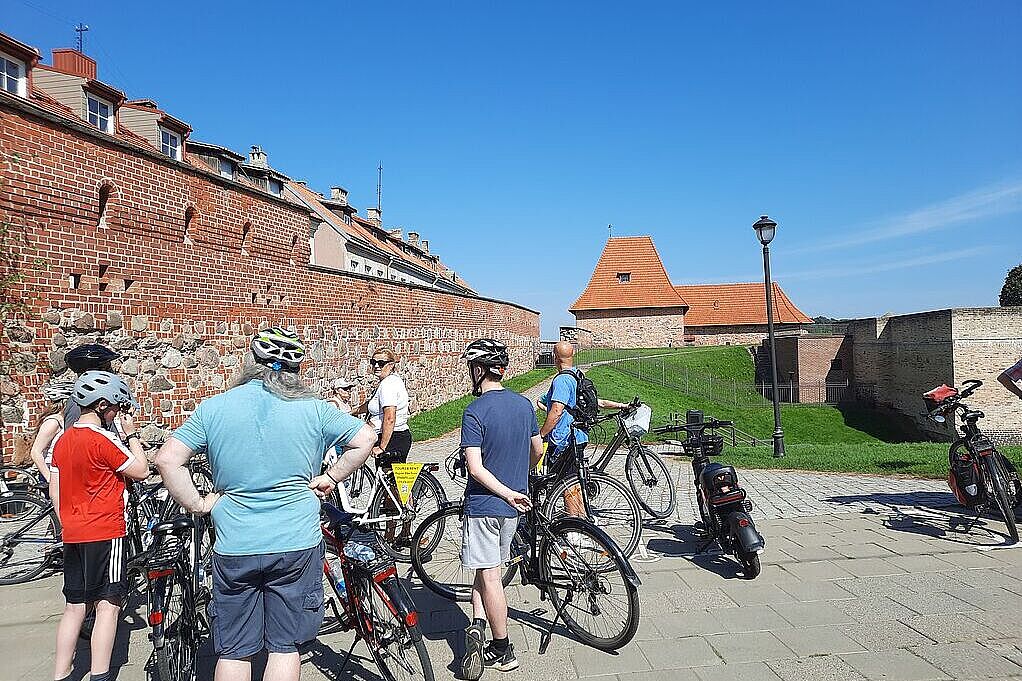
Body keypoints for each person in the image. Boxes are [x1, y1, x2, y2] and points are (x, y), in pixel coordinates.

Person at [156, 327, 375, 681]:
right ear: (296, 371)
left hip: (235, 543)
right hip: (296, 542)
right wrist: (331, 478)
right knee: (285, 646)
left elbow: (167, 460)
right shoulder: (315, 409)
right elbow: (365, 438)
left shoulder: (215, 407)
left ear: (251, 363)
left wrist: (198, 504)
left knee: (234, 650)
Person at [49, 371, 150, 681]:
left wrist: (67, 520)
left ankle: (61, 672)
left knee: (75, 606)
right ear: (103, 405)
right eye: (117, 407)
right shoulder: (103, 439)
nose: (118, 413)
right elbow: (141, 470)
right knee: (108, 604)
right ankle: (100, 673)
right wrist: (131, 435)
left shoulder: (62, 440)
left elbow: (56, 489)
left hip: (73, 532)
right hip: (105, 530)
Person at [458, 339, 542, 679]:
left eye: (470, 370)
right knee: (488, 567)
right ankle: (479, 623)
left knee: (491, 577)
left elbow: (475, 469)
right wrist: (518, 480)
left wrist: (505, 492)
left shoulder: (474, 411)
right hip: (514, 507)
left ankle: (503, 648)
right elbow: (537, 450)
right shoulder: (524, 405)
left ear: (479, 371)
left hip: (485, 504)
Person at [536, 342, 626, 513]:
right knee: (574, 481)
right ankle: (580, 517)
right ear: (573, 355)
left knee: (566, 483)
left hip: (563, 438)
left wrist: (541, 434)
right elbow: (596, 402)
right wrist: (621, 405)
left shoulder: (562, 380)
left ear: (555, 357)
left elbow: (556, 411)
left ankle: (574, 528)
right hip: (580, 435)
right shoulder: (578, 375)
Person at [353, 347, 412, 543]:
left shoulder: (387, 386)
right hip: (398, 437)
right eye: (373, 362)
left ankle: (390, 536)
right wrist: (351, 414)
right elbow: (371, 405)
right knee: (399, 485)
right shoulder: (388, 383)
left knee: (391, 490)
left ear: (391, 365)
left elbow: (389, 417)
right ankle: (405, 533)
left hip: (393, 439)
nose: (376, 366)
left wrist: (382, 447)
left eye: (381, 363)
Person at [62, 344, 121, 429]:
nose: (112, 373)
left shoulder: (98, 400)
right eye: (107, 369)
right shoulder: (77, 405)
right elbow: (75, 439)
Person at [28, 382, 73, 485]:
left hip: (64, 472)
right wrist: (49, 478)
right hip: (52, 473)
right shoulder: (53, 422)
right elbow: (36, 452)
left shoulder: (65, 420)